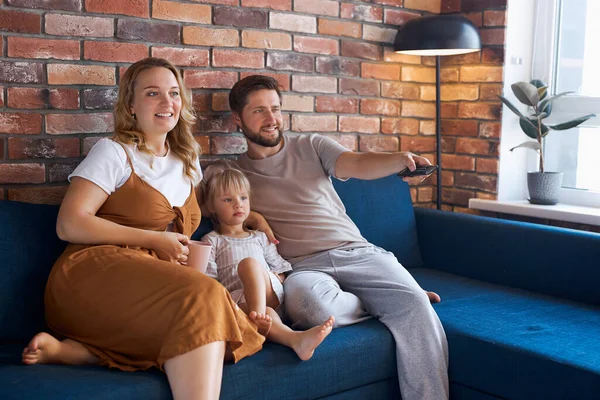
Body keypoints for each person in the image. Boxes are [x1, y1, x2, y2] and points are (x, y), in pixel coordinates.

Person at [21, 57, 266, 400]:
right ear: (131, 105)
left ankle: (83, 353)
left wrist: (256, 219)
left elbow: (210, 211)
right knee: (208, 299)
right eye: (153, 93)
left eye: (174, 93)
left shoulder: (188, 159)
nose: (167, 103)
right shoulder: (114, 152)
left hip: (152, 282)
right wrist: (154, 240)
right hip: (93, 275)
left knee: (225, 325)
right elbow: (69, 223)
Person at [203, 75, 449, 400]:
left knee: (416, 307)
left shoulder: (311, 145)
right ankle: (378, 300)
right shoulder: (234, 175)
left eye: (275, 109)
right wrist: (253, 215)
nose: (271, 119)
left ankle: (401, 298)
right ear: (238, 119)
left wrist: (398, 160)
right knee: (308, 307)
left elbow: (356, 162)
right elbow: (207, 201)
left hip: (357, 252)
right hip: (303, 267)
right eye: (259, 111)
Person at [201, 168, 335, 361]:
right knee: (268, 315)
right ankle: (296, 340)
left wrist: (263, 277)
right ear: (212, 207)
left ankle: (255, 322)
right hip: (239, 303)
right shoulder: (212, 241)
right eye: (228, 200)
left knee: (249, 265)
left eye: (243, 198)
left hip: (270, 292)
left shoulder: (260, 237)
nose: (238, 204)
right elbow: (211, 283)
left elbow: (280, 269)